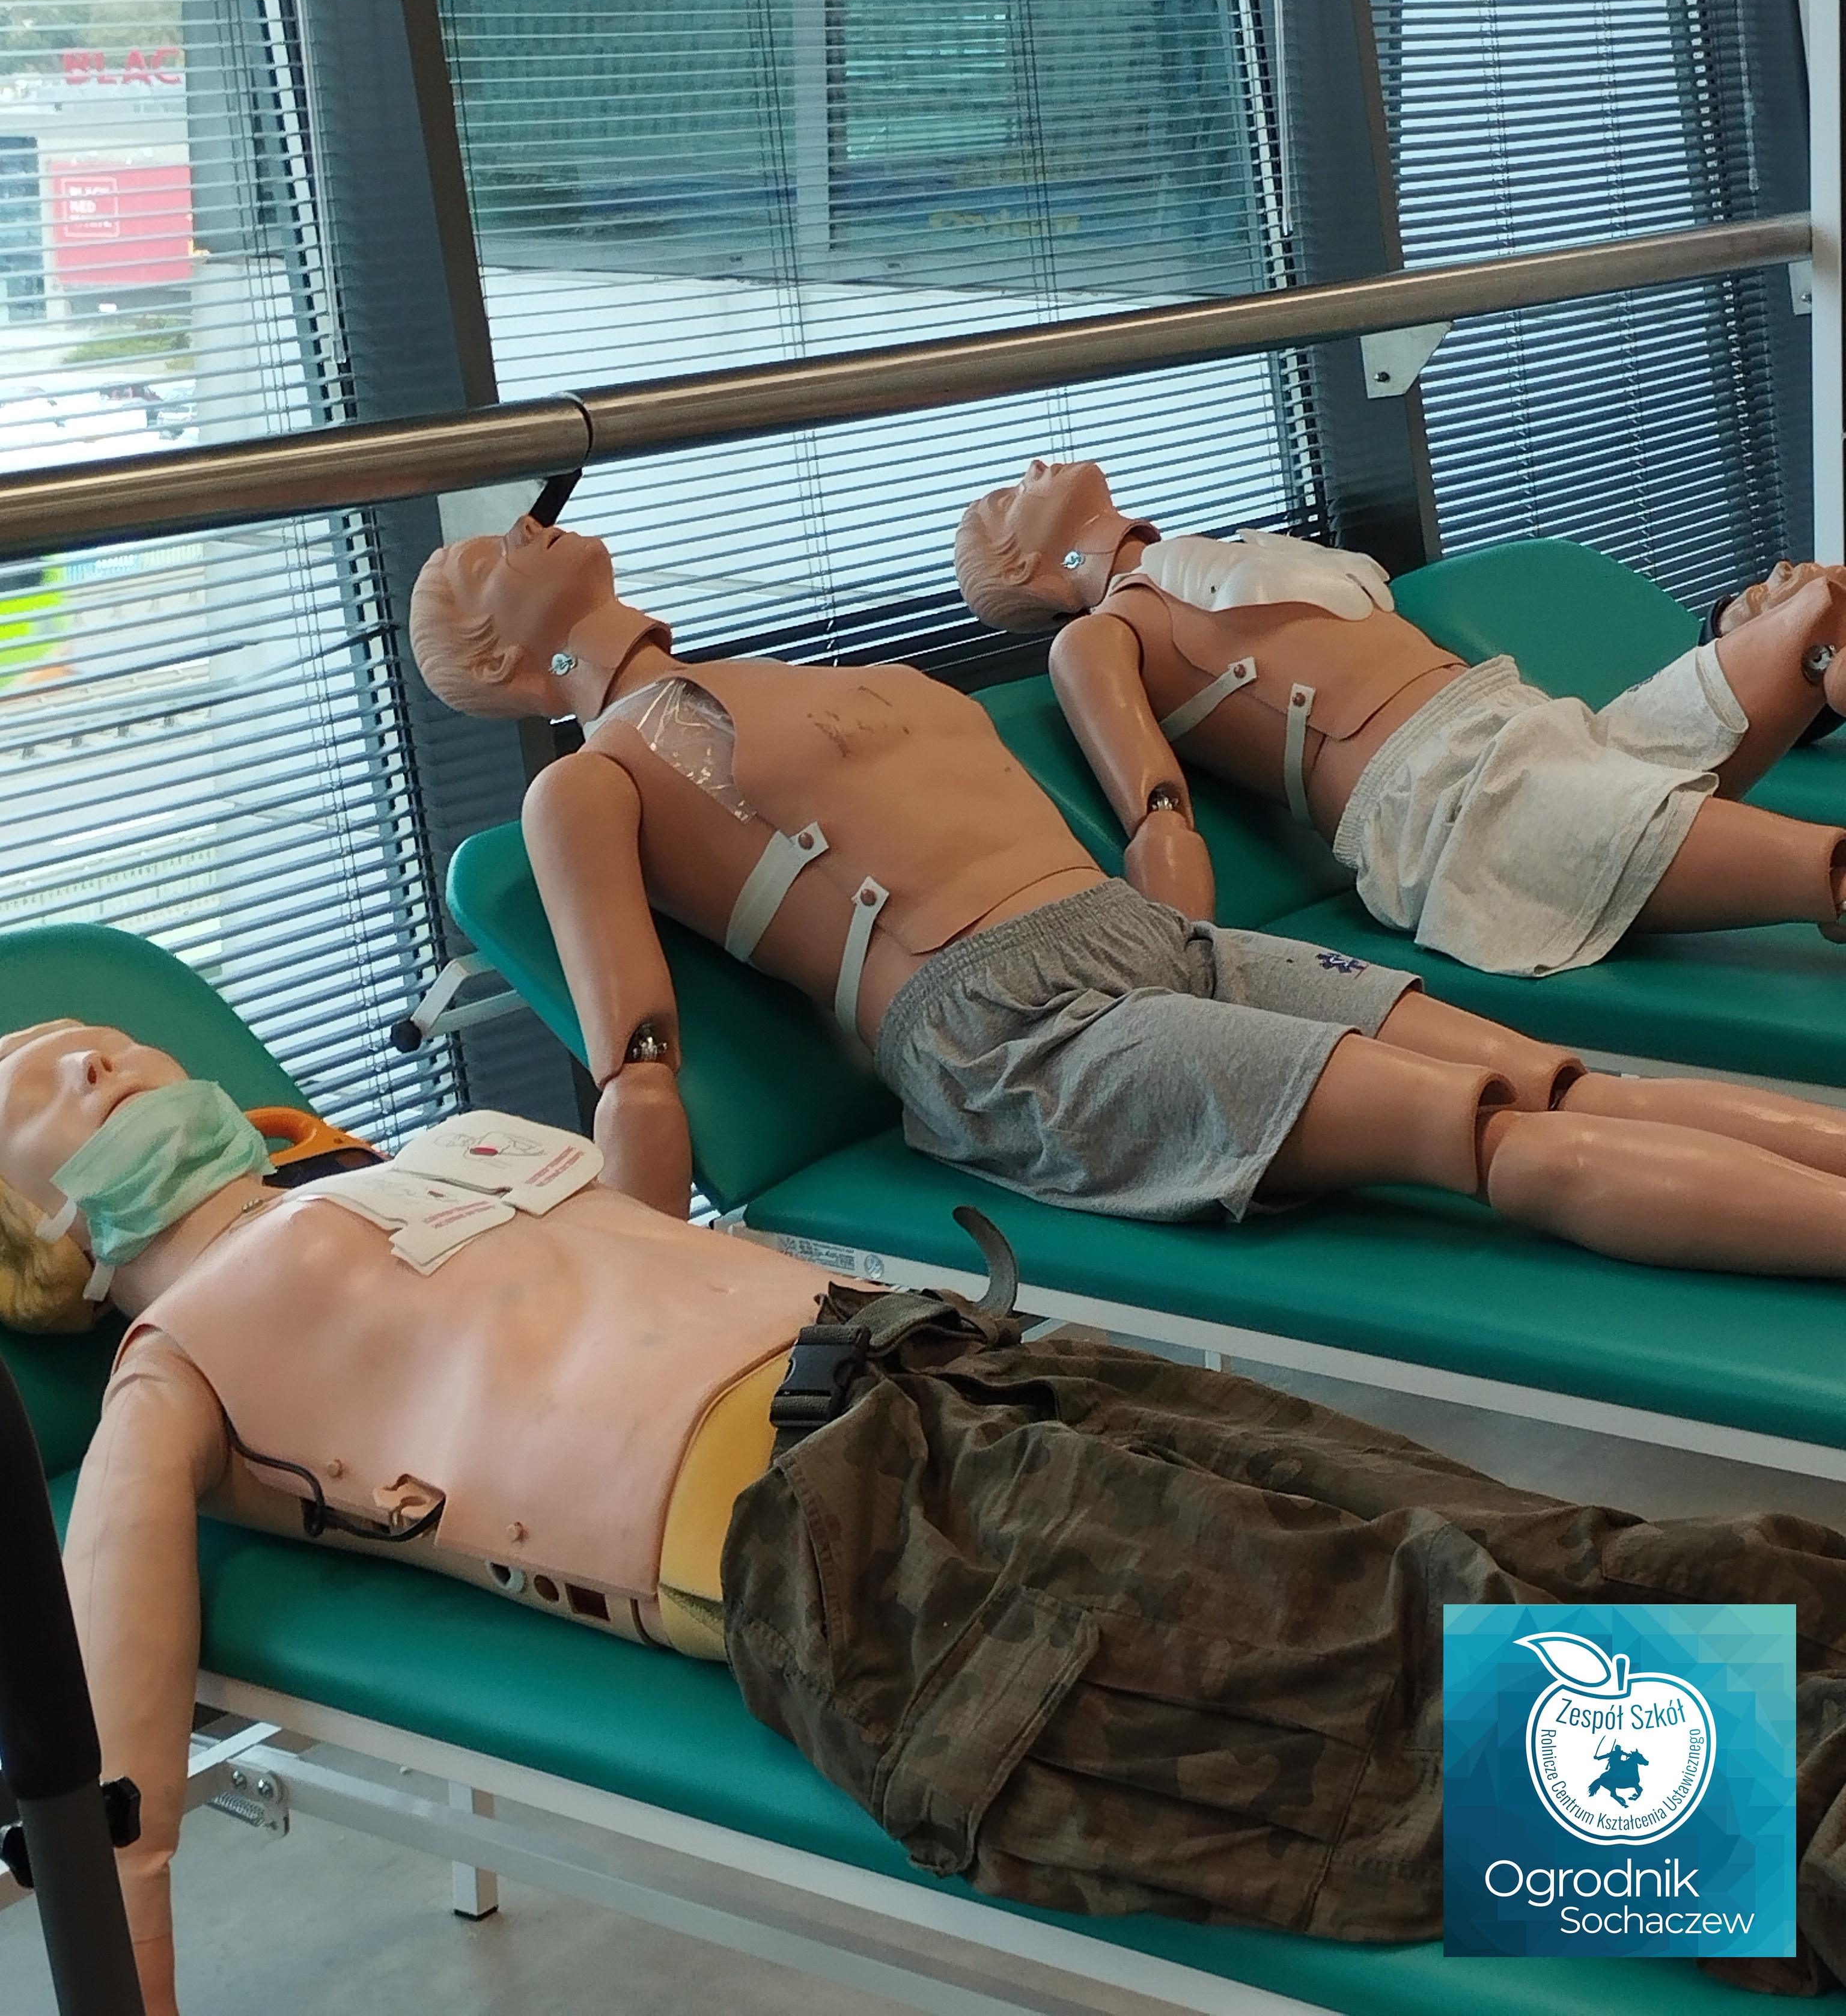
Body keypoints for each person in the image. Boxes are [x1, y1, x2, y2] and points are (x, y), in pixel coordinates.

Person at [8, 1018, 1846, 2008]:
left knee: (1524, 1548)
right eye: (24, 1082)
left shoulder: (436, 1152)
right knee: (1450, 1710)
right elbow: (110, 1755)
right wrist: (127, 1926)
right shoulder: (181, 1358)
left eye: (93, 1037)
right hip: (874, 1543)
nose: (83, 1052)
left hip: (972, 1362)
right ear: (31, 1243)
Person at [409, 513, 1846, 1278]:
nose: (519, 527)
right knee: (1483, 1129)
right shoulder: (589, 784)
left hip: (1155, 939)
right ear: (494, 660)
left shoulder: (837, 678)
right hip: (1002, 1030)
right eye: (484, 560)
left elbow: (1147, 824)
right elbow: (637, 1064)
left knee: (1564, 1080)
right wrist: (641, 1296)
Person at [955, 459, 1846, 977]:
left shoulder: (1220, 554)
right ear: (1028, 572)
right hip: (1453, 808)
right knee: (1828, 866)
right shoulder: (1099, 637)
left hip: (1544, 734)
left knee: (1824, 612)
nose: (1030, 471)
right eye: (1006, 500)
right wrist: (1184, 975)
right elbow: (1158, 807)